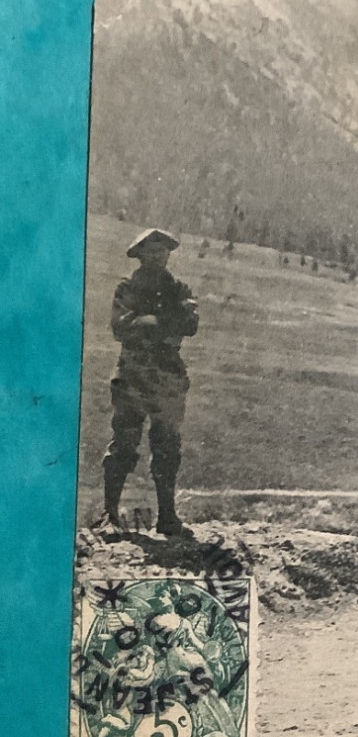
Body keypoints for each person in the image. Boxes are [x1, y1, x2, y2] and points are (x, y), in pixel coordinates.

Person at [101, 228, 199, 536]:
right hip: (132, 376)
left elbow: (191, 325)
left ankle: (168, 517)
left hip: (168, 378)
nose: (159, 256)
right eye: (152, 251)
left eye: (163, 251)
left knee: (167, 446)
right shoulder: (127, 288)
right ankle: (110, 515)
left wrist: (150, 323)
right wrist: (167, 324)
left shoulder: (179, 288)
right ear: (139, 254)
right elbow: (122, 326)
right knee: (124, 444)